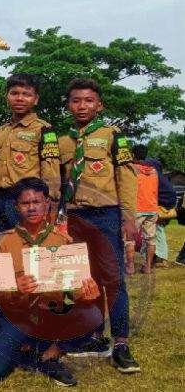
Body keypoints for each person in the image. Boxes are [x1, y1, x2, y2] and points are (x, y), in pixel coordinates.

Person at [0, 177, 100, 387]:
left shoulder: (63, 241)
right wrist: (15, 287)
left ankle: (52, 352)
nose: (31, 208)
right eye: (25, 203)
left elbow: (71, 290)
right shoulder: (3, 241)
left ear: (47, 203)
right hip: (16, 318)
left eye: (36, 202)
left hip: (51, 315)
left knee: (93, 313)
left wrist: (85, 293)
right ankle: (27, 352)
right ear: (16, 207)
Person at [58, 78, 140, 373]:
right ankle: (92, 336)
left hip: (105, 215)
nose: (82, 106)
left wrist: (128, 217)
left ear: (99, 105)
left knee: (113, 280)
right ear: (69, 105)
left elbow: (126, 178)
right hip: (75, 217)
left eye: (88, 100)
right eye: (76, 100)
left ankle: (121, 344)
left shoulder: (113, 136)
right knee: (84, 279)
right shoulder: (62, 141)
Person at [0, 74, 61, 234]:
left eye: (26, 94)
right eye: (14, 93)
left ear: (36, 99)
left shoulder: (44, 129)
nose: (20, 98)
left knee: (27, 244)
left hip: (27, 201)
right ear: (7, 96)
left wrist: (50, 206)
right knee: (2, 244)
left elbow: (51, 170)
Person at [131, 146, 159, 274]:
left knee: (129, 238)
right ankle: (147, 266)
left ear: (133, 155)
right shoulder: (154, 171)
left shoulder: (132, 169)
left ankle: (130, 266)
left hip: (137, 207)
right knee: (151, 239)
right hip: (152, 208)